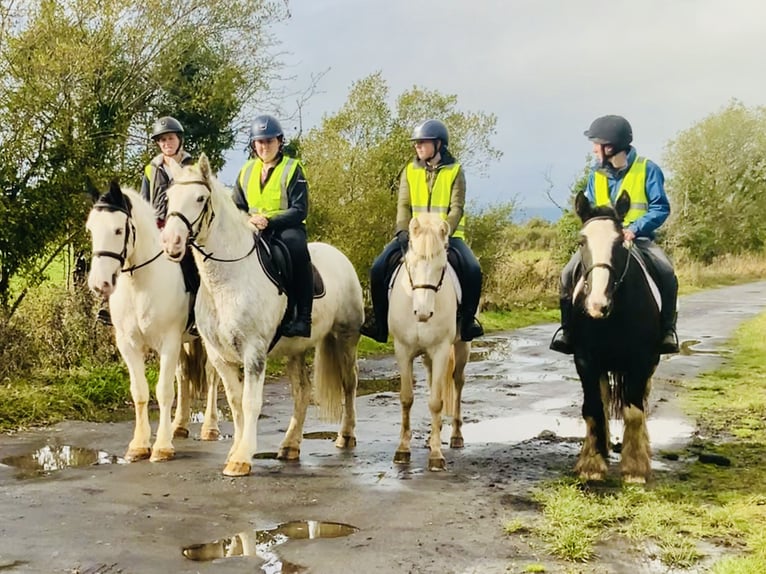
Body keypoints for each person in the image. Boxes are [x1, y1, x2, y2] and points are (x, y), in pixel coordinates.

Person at [549, 114, 679, 355]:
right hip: (601, 241)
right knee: (568, 274)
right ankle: (567, 331)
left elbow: (660, 207)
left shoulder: (647, 169)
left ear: (611, 146)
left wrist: (634, 229)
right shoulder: (595, 174)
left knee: (666, 272)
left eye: (596, 144)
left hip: (637, 238)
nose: (594, 149)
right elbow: (589, 209)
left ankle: (667, 331)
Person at [360, 119, 484, 343]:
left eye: (423, 142)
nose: (417, 146)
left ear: (438, 144)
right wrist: (402, 230)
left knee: (473, 270)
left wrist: (445, 229)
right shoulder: (409, 170)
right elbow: (403, 205)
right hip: (415, 237)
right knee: (378, 267)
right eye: (416, 142)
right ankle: (379, 323)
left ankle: (467, 323)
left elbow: (457, 207)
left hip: (447, 238)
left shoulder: (455, 170)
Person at [96, 115, 197, 327]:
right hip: (156, 225)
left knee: (190, 262)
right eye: (162, 140)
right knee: (125, 251)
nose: (166, 144)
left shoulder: (191, 167)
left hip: (182, 226)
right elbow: (144, 201)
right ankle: (114, 307)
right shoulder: (151, 169)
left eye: (170, 138)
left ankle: (197, 311)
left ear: (179, 140)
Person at [232, 114, 313, 338]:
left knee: (297, 249)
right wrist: (248, 220)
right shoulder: (246, 170)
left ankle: (303, 317)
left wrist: (270, 220)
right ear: (254, 145)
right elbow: (236, 206)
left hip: (286, 228)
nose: (264, 146)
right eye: (260, 142)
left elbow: (299, 209)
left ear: (279, 142)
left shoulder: (293, 168)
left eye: (269, 141)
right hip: (252, 227)